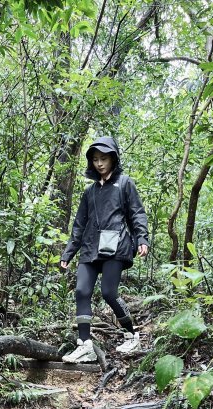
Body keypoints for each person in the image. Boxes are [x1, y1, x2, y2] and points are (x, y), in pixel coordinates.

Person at [60, 136, 149, 363]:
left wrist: (142, 239)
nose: (99, 163)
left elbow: (136, 213)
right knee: (81, 291)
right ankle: (85, 345)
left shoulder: (125, 183)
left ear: (113, 158)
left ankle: (132, 335)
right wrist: (68, 253)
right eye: (95, 160)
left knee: (109, 293)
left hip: (116, 245)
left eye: (104, 158)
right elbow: (79, 224)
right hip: (90, 248)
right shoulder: (89, 192)